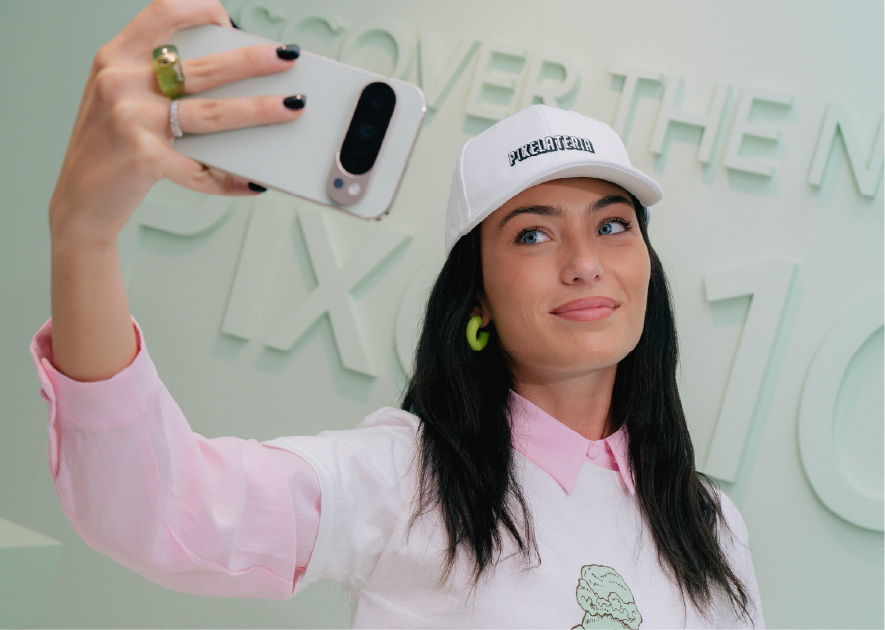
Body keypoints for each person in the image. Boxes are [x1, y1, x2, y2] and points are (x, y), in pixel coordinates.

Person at [33, 0, 765, 627]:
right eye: (533, 234)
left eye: (611, 225)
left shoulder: (711, 524)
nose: (584, 262)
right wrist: (83, 235)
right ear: (476, 299)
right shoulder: (402, 479)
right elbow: (160, 509)